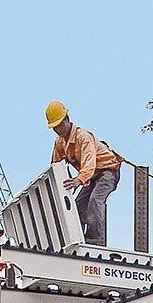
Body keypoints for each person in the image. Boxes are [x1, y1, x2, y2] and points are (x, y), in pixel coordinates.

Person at [46, 100, 122, 247]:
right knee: (79, 206)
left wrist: (78, 180)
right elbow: (55, 166)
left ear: (67, 119)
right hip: (91, 177)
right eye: (54, 127)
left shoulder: (83, 137)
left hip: (108, 172)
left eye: (59, 125)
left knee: (95, 200)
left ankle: (94, 242)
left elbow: (89, 163)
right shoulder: (60, 143)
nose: (58, 130)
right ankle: (77, 240)